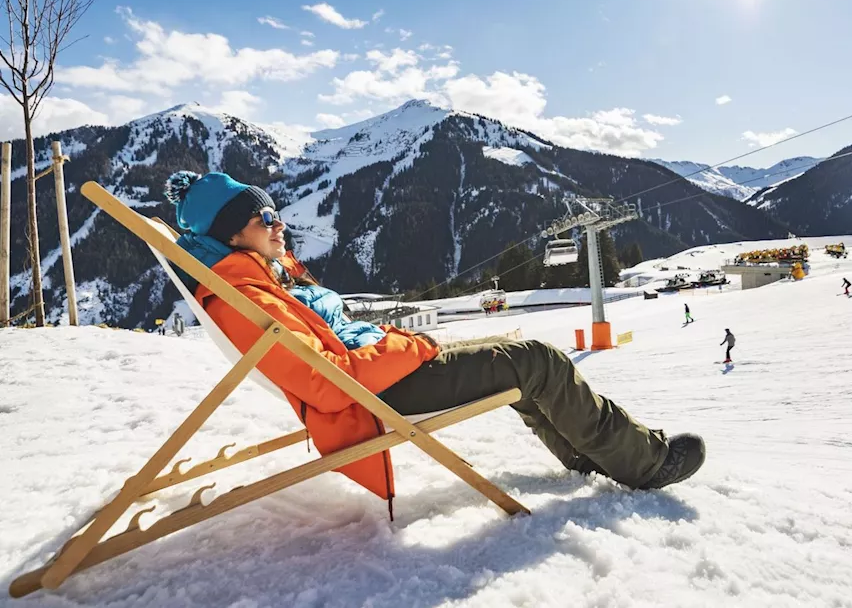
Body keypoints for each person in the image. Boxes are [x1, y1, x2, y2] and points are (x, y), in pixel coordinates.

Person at [163, 171, 705, 513]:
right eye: (266, 218)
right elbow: (328, 382)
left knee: (517, 352)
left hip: (382, 371)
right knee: (537, 361)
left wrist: (392, 343)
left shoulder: (253, 276)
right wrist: (408, 347)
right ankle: (644, 463)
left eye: (277, 214)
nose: (280, 225)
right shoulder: (243, 293)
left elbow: (326, 348)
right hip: (378, 392)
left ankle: (590, 452)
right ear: (233, 234)